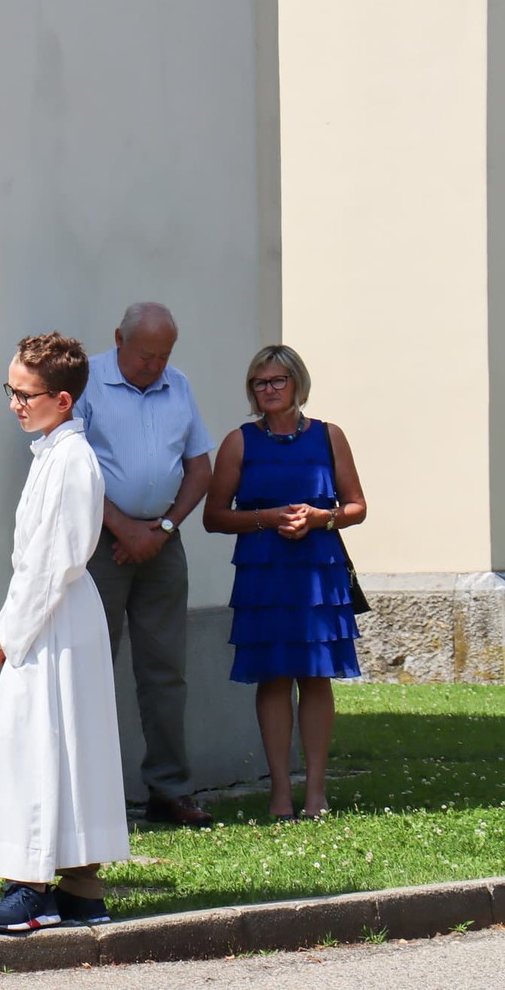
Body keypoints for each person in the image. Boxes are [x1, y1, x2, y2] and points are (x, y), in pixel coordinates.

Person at [0, 333, 130, 934]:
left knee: (37, 741)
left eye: (26, 394)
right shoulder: (51, 453)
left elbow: (51, 561)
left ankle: (30, 887)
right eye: (10, 390)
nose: (14, 403)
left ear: (63, 400)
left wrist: (10, 631)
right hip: (53, 611)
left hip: (54, 614)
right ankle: (80, 887)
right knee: (61, 743)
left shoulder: (70, 460)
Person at [203, 345, 366, 821]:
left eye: (277, 380)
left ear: (298, 384)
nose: (269, 390)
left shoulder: (329, 436)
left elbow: (357, 506)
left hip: (318, 571)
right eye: (260, 382)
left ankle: (315, 792)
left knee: (316, 675)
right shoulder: (239, 442)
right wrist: (268, 518)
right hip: (264, 571)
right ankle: (279, 792)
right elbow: (214, 516)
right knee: (273, 678)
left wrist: (320, 518)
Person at [78, 302, 215, 826]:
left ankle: (169, 789)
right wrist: (123, 528)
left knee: (165, 670)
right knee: (92, 666)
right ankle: (92, 794)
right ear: (119, 339)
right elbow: (73, 467)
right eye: (145, 356)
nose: (155, 366)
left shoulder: (178, 386)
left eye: (163, 356)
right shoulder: (87, 382)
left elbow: (199, 467)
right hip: (100, 543)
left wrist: (163, 529)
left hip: (162, 543)